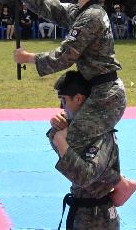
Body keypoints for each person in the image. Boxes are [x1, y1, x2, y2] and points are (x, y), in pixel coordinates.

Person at [10, 0, 136, 205]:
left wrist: (29, 58)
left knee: (65, 141)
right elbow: (48, 7)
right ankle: (117, 181)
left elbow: (67, 54)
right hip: (95, 92)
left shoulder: (92, 17)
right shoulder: (83, 12)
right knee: (58, 135)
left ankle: (117, 183)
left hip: (105, 96)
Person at [49, 71, 126, 229]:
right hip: (81, 213)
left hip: (98, 218)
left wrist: (60, 141)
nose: (61, 107)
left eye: (63, 101)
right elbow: (61, 152)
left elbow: (84, 176)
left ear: (78, 99)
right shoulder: (78, 130)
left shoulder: (101, 134)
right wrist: (55, 130)